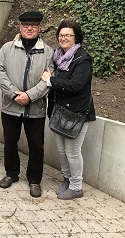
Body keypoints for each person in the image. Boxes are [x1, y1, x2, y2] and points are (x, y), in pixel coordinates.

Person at [0, 11, 54, 197]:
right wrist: (13, 94)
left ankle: (34, 180)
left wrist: (29, 96)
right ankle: (11, 173)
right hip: (11, 107)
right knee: (10, 142)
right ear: (20, 27)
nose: (29, 28)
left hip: (35, 109)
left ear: (39, 28)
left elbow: (48, 80)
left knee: (37, 146)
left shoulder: (48, 52)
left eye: (34, 26)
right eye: (26, 25)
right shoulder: (7, 48)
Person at [41, 19, 96, 200]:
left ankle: (76, 186)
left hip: (77, 114)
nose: (63, 38)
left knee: (73, 152)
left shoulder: (82, 59)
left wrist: (51, 80)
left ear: (76, 38)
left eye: (68, 35)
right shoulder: (58, 57)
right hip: (60, 111)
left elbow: (75, 85)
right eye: (61, 35)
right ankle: (67, 179)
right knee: (62, 151)